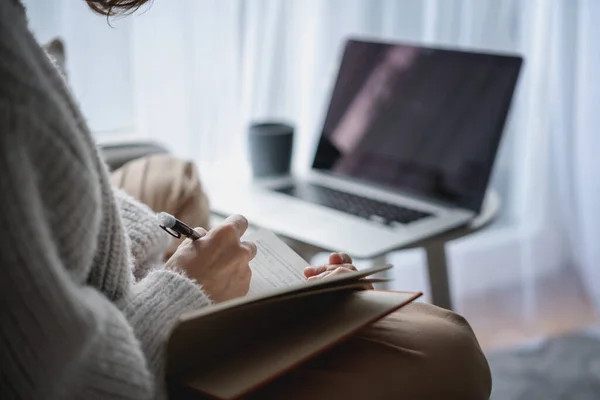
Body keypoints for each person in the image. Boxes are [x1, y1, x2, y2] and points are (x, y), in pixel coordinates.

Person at [0, 1, 492, 399]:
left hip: (99, 280)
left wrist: (157, 241)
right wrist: (181, 290)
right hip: (114, 361)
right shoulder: (13, 94)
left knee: (176, 179)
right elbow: (75, 385)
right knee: (446, 346)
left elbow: (69, 201)